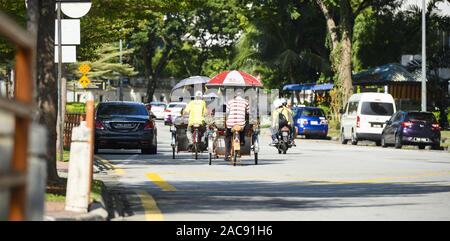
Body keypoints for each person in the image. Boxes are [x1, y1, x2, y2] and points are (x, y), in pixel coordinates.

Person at [224, 89, 249, 161]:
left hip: (230, 123)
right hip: (241, 123)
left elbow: (227, 113)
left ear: (235, 95)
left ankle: (227, 154)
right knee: (244, 126)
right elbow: (248, 112)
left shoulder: (230, 102)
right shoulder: (246, 102)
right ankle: (242, 140)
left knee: (227, 137)